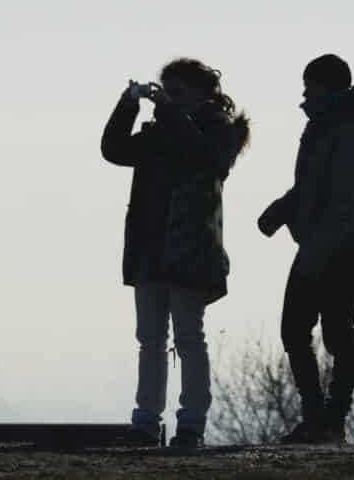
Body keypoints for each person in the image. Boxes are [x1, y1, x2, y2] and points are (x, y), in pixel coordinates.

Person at [101, 58, 250, 449]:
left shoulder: (219, 134)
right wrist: (127, 103)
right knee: (150, 339)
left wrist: (165, 110)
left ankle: (191, 425)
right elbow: (113, 149)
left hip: (191, 248)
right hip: (151, 247)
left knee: (188, 337)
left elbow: (202, 156)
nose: (169, 99)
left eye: (178, 93)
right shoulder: (160, 134)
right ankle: (146, 422)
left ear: (203, 94)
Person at [258, 54, 354, 444]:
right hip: (317, 244)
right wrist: (281, 211)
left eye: (309, 86)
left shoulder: (349, 132)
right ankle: (317, 417)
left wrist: (316, 249)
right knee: (296, 330)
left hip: (338, 248)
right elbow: (312, 187)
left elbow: (343, 197)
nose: (304, 94)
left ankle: (332, 417)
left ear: (327, 87)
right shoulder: (323, 128)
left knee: (337, 336)